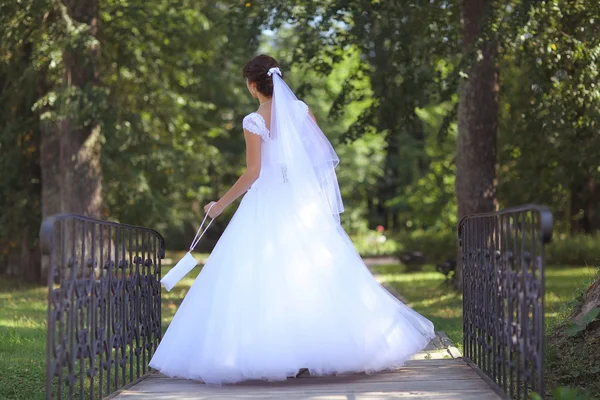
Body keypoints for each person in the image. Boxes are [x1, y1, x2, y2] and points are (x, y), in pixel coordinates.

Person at [148, 54, 435, 385]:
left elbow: (254, 173)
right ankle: (323, 349)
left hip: (266, 202)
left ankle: (272, 352)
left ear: (254, 86)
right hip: (302, 204)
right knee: (312, 272)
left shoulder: (253, 121)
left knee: (260, 276)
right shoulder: (300, 110)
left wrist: (220, 204)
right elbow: (318, 156)